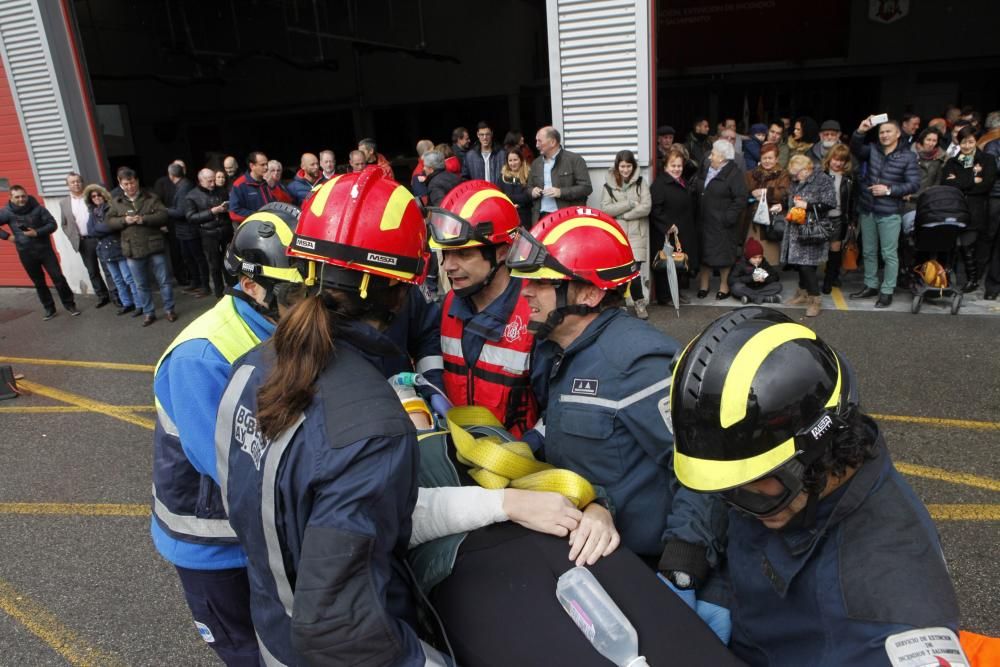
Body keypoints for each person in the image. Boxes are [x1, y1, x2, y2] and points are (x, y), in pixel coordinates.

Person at [215, 168, 448, 665]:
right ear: (401, 293)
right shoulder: (373, 428)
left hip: (273, 629)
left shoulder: (250, 368)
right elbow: (343, 630)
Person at [670, 306, 961, 667]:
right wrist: (703, 571)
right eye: (729, 489)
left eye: (751, 487)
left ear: (822, 450)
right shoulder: (784, 464)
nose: (738, 502)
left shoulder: (893, 615)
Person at [508, 207, 727, 605]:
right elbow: (558, 420)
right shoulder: (554, 347)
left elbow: (702, 467)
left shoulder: (637, 363)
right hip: (585, 546)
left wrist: (684, 564)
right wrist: (520, 453)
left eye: (541, 283)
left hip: (639, 563)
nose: (525, 292)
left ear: (590, 293)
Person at [152, 204, 306, 666]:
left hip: (259, 532)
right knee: (247, 652)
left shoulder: (276, 326)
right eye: (296, 294)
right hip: (214, 546)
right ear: (252, 284)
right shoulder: (202, 356)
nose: (310, 306)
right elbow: (229, 466)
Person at [428, 180, 539, 436]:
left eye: (464, 254)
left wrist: (532, 447)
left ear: (501, 253)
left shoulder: (535, 314)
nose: (448, 266)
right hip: (458, 453)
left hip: (519, 464)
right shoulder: (445, 309)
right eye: (446, 253)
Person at [850, 117, 921, 307]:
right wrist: (861, 130)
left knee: (889, 253)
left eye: (888, 131)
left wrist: (888, 190)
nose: (884, 135)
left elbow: (914, 184)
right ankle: (870, 285)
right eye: (881, 132)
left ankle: (887, 290)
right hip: (868, 208)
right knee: (869, 252)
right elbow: (855, 148)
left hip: (890, 211)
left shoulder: (908, 156)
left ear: (898, 134)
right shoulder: (872, 149)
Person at [106, 167, 175, 326]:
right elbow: (109, 222)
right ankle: (148, 312)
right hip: (133, 249)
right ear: (120, 183)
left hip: (154, 246)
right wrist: (124, 221)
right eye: (126, 184)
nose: (130, 187)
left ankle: (169, 309)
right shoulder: (116, 202)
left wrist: (143, 219)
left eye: (132, 183)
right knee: (140, 284)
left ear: (137, 181)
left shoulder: (151, 197)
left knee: (164, 281)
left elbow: (163, 215)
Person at [0, 185, 80, 319]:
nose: (21, 199)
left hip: (45, 250)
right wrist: (7, 237)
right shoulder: (6, 212)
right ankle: (49, 309)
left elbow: (52, 224)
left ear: (27, 195)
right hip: (25, 253)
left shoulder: (38, 208)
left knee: (58, 278)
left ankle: (70, 304)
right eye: (17, 197)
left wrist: (36, 232)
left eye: (23, 196)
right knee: (39, 282)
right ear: (11, 197)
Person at [943, 125, 998, 293]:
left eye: (970, 142)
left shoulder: (987, 159)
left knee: (969, 246)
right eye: (963, 142)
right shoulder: (952, 161)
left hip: (976, 210)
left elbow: (986, 184)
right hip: (955, 208)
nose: (966, 146)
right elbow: (947, 184)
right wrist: (973, 180)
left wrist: (960, 180)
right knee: (951, 245)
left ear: (976, 142)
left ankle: (972, 279)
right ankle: (946, 278)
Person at [693, 139, 748, 300]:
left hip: (722, 223)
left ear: (723, 158)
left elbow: (741, 198)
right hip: (704, 220)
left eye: (713, 154)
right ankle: (704, 285)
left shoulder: (734, 173)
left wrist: (728, 217)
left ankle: (724, 286)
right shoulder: (706, 168)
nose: (710, 157)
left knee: (724, 256)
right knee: (704, 254)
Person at [601, 149, 652, 318]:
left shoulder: (640, 183)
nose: (625, 170)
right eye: (622, 166)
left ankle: (639, 303)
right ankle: (619, 303)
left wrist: (623, 215)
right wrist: (629, 204)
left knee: (635, 272)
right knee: (620, 273)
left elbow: (646, 207)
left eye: (629, 166)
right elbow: (606, 209)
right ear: (617, 166)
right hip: (618, 236)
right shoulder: (608, 185)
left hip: (637, 234)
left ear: (633, 166)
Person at [783, 155, 837, 317]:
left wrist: (808, 205)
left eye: (796, 174)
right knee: (801, 263)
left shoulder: (822, 180)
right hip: (797, 227)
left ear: (807, 170)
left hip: (812, 229)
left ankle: (815, 299)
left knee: (806, 264)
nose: (794, 177)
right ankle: (803, 293)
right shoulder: (797, 180)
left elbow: (830, 203)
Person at [650, 146, 697, 305]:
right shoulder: (660, 184)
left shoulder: (682, 182)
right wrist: (667, 225)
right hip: (666, 233)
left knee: (677, 264)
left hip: (681, 231)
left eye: (679, 166)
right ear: (665, 167)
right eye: (673, 166)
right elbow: (655, 209)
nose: (677, 169)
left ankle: (676, 293)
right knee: (666, 265)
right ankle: (665, 297)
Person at [84, 184, 139, 316]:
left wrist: (101, 228)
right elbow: (90, 231)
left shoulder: (112, 208)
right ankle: (127, 303)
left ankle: (139, 304)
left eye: (99, 195)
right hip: (105, 251)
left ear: (104, 195)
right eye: (93, 196)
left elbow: (113, 226)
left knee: (129, 278)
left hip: (118, 248)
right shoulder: (93, 213)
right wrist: (104, 228)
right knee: (117, 280)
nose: (97, 198)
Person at [59, 172, 111, 307]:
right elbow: (64, 223)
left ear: (82, 182)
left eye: (78, 181)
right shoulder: (64, 203)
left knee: (108, 268)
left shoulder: (91, 197)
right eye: (72, 182)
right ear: (68, 185)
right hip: (84, 241)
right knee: (93, 270)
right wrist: (73, 236)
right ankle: (102, 296)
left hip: (99, 238)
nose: (76, 184)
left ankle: (116, 295)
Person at [185, 167, 232, 299]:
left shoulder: (221, 191)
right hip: (208, 233)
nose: (213, 184)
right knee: (215, 265)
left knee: (229, 264)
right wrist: (212, 212)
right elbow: (190, 217)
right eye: (209, 181)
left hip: (225, 230)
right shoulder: (192, 196)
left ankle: (234, 292)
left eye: (213, 180)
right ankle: (219, 295)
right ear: (200, 181)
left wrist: (228, 208)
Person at [528, 126, 592, 221]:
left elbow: (586, 188)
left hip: (567, 217)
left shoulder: (575, 160)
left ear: (553, 142)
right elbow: (528, 187)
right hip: (541, 217)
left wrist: (561, 192)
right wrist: (532, 191)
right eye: (536, 141)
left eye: (540, 141)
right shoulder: (536, 163)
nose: (536, 145)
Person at [745, 142, 790, 265]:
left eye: (770, 158)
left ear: (776, 159)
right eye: (764, 158)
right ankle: (753, 273)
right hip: (753, 216)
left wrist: (766, 192)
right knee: (753, 248)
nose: (767, 161)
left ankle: (768, 273)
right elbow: (743, 191)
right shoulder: (751, 174)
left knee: (770, 251)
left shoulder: (783, 174)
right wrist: (752, 193)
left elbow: (784, 193)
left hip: (771, 217)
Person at [820, 143, 857, 293]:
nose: (838, 162)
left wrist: (853, 220)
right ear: (830, 159)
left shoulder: (849, 178)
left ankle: (829, 279)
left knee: (834, 250)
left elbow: (853, 200)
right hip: (821, 217)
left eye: (842, 160)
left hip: (838, 218)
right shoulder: (820, 174)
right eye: (835, 159)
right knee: (816, 248)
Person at [166, 163, 207, 297]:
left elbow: (181, 212)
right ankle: (196, 282)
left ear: (171, 175)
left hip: (189, 230)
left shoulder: (184, 187)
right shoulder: (182, 185)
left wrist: (165, 210)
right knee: (189, 258)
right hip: (184, 231)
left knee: (197, 258)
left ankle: (204, 286)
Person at [228, 151, 278, 224]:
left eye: (266, 164)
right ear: (252, 166)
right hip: (252, 229)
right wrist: (259, 216)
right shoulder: (239, 184)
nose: (266, 167)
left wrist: (274, 187)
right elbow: (234, 213)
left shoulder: (271, 181)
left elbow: (286, 202)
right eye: (262, 165)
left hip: (273, 225)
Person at [728, 238, 782, 304]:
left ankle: (749, 298)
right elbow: (731, 280)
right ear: (748, 256)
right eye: (754, 257)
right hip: (746, 288)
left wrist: (765, 278)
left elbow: (776, 276)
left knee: (778, 286)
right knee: (736, 288)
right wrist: (751, 278)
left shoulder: (763, 263)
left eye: (760, 257)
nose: (758, 260)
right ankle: (765, 298)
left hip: (759, 287)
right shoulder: (741, 264)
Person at [462, 121, 506, 186]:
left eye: (487, 134)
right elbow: (465, 179)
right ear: (477, 135)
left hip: (498, 193)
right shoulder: (470, 156)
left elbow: (509, 175)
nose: (485, 137)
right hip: (479, 194)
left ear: (491, 134)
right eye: (482, 135)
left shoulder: (502, 154)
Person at [499, 147, 532, 229]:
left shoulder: (528, 175)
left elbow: (528, 196)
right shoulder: (502, 177)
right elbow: (499, 196)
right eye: (510, 160)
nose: (513, 163)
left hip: (525, 217)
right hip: (507, 217)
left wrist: (510, 198)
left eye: (515, 160)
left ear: (521, 160)